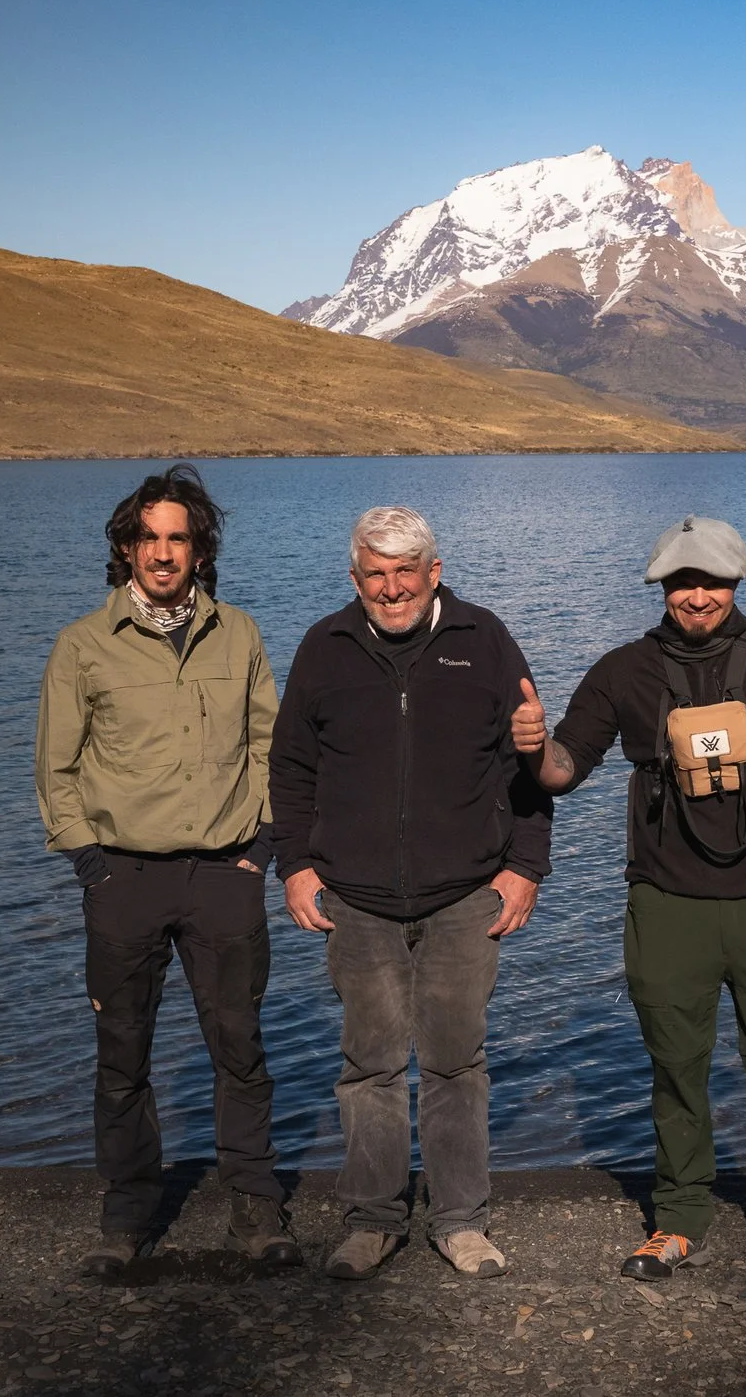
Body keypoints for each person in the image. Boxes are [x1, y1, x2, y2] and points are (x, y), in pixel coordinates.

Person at [513, 515, 746, 1282]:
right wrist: (532, 747)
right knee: (676, 1065)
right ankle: (680, 1218)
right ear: (663, 589)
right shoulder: (621, 671)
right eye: (683, 583)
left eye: (711, 581)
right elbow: (563, 769)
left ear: (736, 582)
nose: (698, 596)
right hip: (665, 904)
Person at [267, 506, 550, 1281]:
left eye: (404, 571)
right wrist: (293, 863)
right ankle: (373, 1220)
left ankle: (460, 1222)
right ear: (354, 578)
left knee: (458, 1062)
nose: (390, 590)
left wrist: (526, 865)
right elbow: (291, 768)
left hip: (465, 895)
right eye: (374, 574)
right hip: (355, 899)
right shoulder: (325, 647)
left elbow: (527, 760)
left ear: (435, 570)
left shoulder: (482, 640)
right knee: (370, 1066)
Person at [34, 464, 294, 1280]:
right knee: (122, 1053)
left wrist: (261, 846)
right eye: (148, 537)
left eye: (178, 538)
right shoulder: (82, 644)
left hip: (224, 872)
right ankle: (127, 1216)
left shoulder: (240, 634)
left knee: (240, 1047)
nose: (162, 552)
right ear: (124, 547)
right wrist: (88, 861)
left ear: (200, 550)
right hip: (123, 878)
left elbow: (270, 747)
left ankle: (255, 1207)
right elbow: (56, 768)